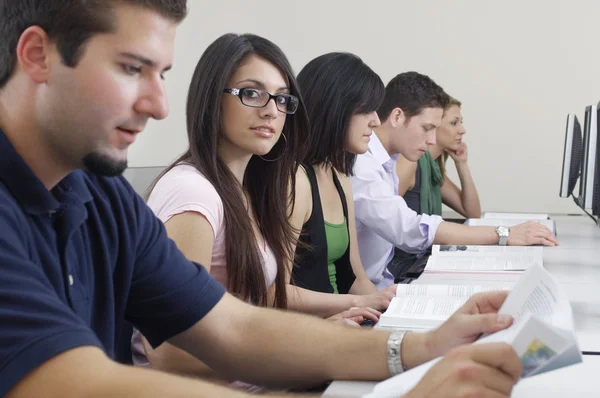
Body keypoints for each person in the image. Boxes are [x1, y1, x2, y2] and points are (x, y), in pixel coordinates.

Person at [0, 1, 523, 397]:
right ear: (37, 56)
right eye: (131, 68)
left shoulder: (101, 193)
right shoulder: (185, 192)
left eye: (161, 75)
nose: (158, 105)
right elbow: (74, 380)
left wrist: (419, 349)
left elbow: (232, 324)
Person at [131, 34, 382, 380]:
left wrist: (321, 332)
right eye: (251, 93)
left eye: (282, 99)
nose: (271, 110)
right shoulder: (193, 194)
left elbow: (256, 304)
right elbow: (167, 353)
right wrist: (306, 348)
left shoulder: (250, 189)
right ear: (212, 99)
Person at [351, 72, 559, 288]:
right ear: (397, 117)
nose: (431, 139)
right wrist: (503, 234)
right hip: (371, 293)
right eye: (427, 128)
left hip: (381, 287)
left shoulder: (387, 161)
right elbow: (408, 229)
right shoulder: (365, 165)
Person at [289, 52, 396, 310]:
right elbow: (274, 293)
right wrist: (359, 303)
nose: (376, 120)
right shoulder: (295, 181)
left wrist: (387, 309)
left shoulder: (339, 174)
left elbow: (355, 275)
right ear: (335, 109)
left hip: (345, 318)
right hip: (312, 331)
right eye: (366, 110)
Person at [396, 96, 481, 218]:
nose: (462, 130)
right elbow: (382, 215)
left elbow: (473, 213)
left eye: (460, 123)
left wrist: (461, 164)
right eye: (453, 123)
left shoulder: (432, 171)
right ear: (434, 125)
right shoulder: (410, 163)